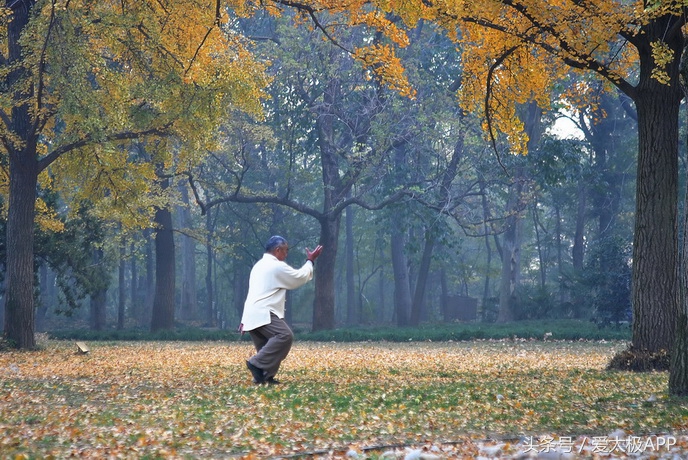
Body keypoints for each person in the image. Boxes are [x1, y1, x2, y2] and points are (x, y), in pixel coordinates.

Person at [240, 235, 323, 384]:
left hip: (253, 313)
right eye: (285, 251)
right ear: (277, 250)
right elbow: (299, 277)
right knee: (284, 336)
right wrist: (310, 260)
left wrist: (244, 319)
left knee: (266, 346)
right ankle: (256, 363)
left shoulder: (258, 266)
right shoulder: (276, 266)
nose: (286, 255)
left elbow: (252, 292)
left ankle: (264, 377)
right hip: (265, 312)